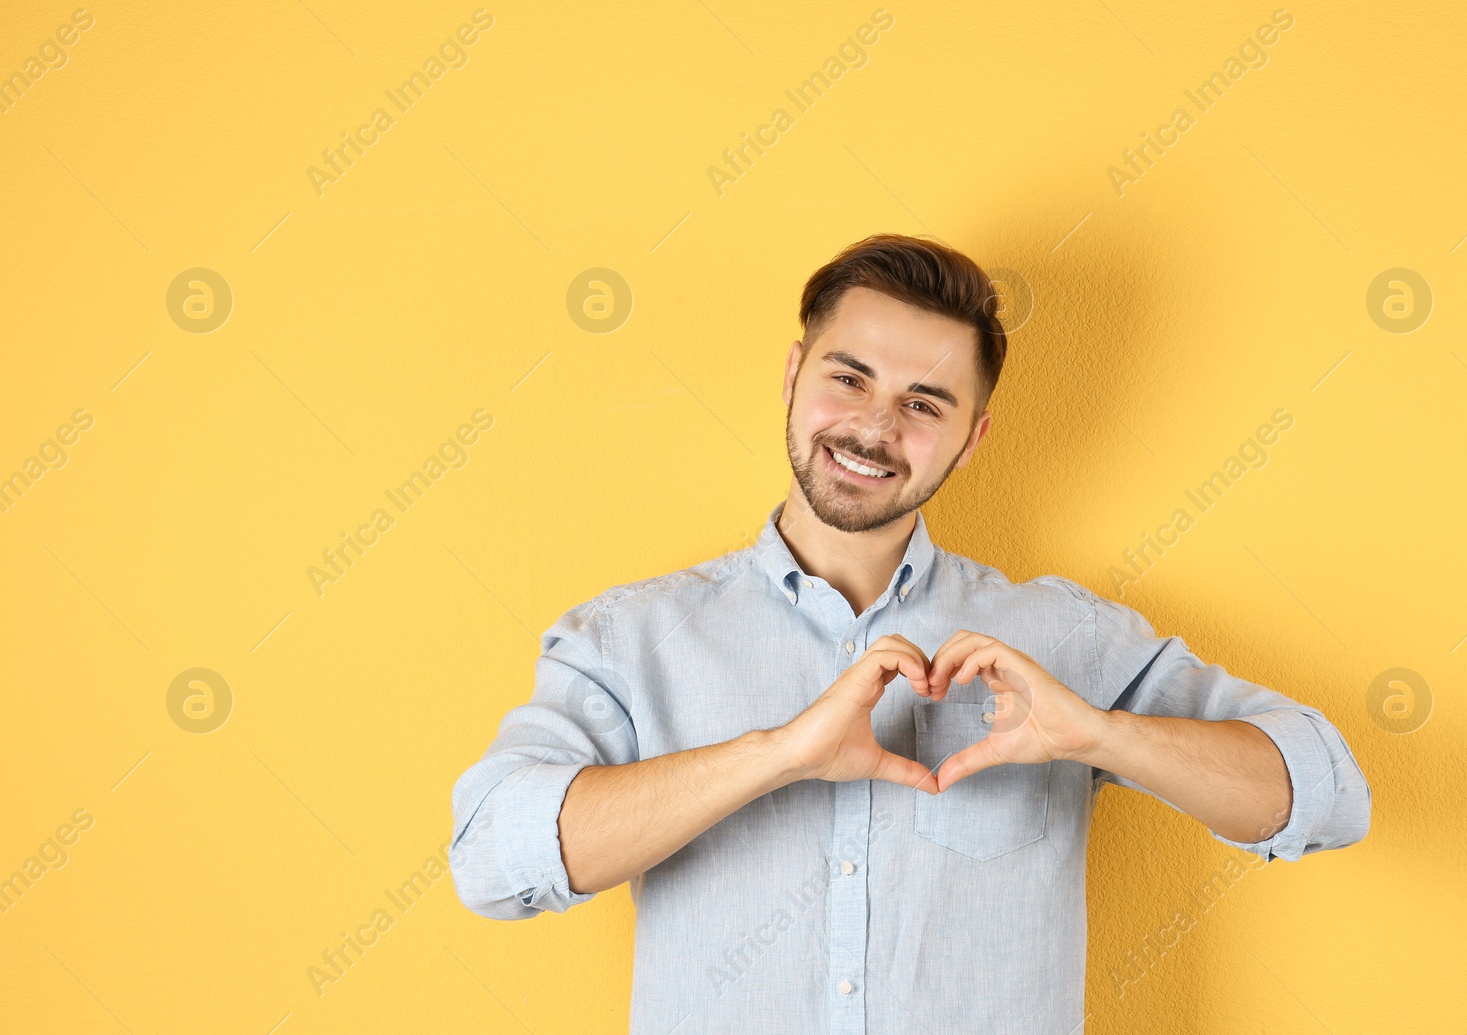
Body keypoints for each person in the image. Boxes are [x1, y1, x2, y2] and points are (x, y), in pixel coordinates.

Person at [449, 233, 1372, 1034]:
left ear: (972, 437)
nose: (874, 426)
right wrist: (779, 754)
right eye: (848, 376)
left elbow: (1329, 796)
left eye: (925, 404)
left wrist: (1098, 733)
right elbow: (490, 858)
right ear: (793, 375)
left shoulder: (1063, 637)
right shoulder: (631, 639)